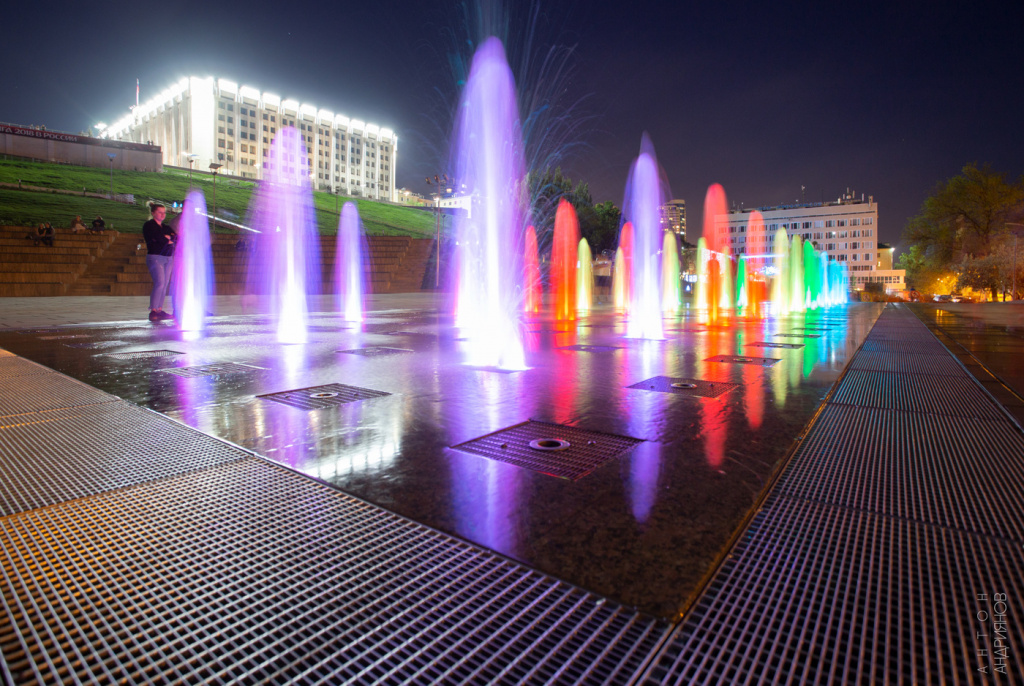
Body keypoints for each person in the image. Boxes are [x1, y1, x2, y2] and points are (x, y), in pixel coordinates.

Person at [143, 202, 176, 321]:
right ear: (153, 213)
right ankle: (153, 310)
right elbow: (159, 239)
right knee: (160, 283)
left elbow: (175, 238)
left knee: (165, 283)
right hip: (156, 256)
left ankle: (159, 309)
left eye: (164, 213)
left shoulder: (166, 227)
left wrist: (169, 238)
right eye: (159, 212)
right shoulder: (149, 225)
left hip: (168, 257)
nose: (162, 215)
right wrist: (167, 239)